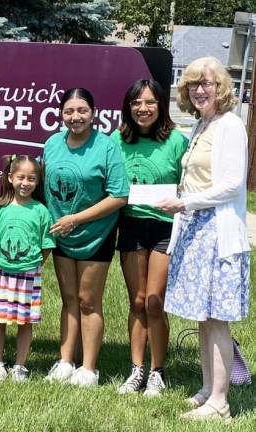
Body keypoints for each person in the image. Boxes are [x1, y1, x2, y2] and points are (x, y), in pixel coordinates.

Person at [156, 57, 250, 421]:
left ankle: (221, 403)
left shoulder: (229, 126)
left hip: (217, 233)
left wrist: (185, 202)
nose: (198, 90)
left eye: (206, 83)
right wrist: (184, 203)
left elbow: (230, 185)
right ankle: (208, 389)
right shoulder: (203, 124)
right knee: (202, 318)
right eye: (192, 84)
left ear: (221, 87)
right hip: (196, 228)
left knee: (216, 319)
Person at [43, 88, 129, 387]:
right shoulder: (52, 143)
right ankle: (66, 361)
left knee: (88, 301)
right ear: (61, 114)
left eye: (82, 110)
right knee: (68, 300)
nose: (75, 117)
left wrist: (75, 219)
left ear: (93, 113)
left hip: (96, 234)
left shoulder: (106, 147)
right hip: (61, 236)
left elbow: (119, 195)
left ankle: (89, 369)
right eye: (69, 111)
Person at [111, 79, 188, 396]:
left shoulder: (177, 141)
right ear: (128, 107)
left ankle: (157, 372)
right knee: (137, 300)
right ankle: (136, 369)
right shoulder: (116, 139)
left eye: (150, 102)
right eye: (136, 103)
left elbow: (190, 186)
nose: (143, 109)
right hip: (130, 226)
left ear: (160, 106)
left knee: (155, 301)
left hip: (164, 229)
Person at [0, 154, 54, 382]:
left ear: (37, 182)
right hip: (2, 273)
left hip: (29, 275)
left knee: (25, 321)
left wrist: (35, 265)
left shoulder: (41, 211)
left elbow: (47, 245)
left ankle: (20, 365)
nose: (25, 183)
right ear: (10, 177)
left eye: (31, 179)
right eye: (20, 177)